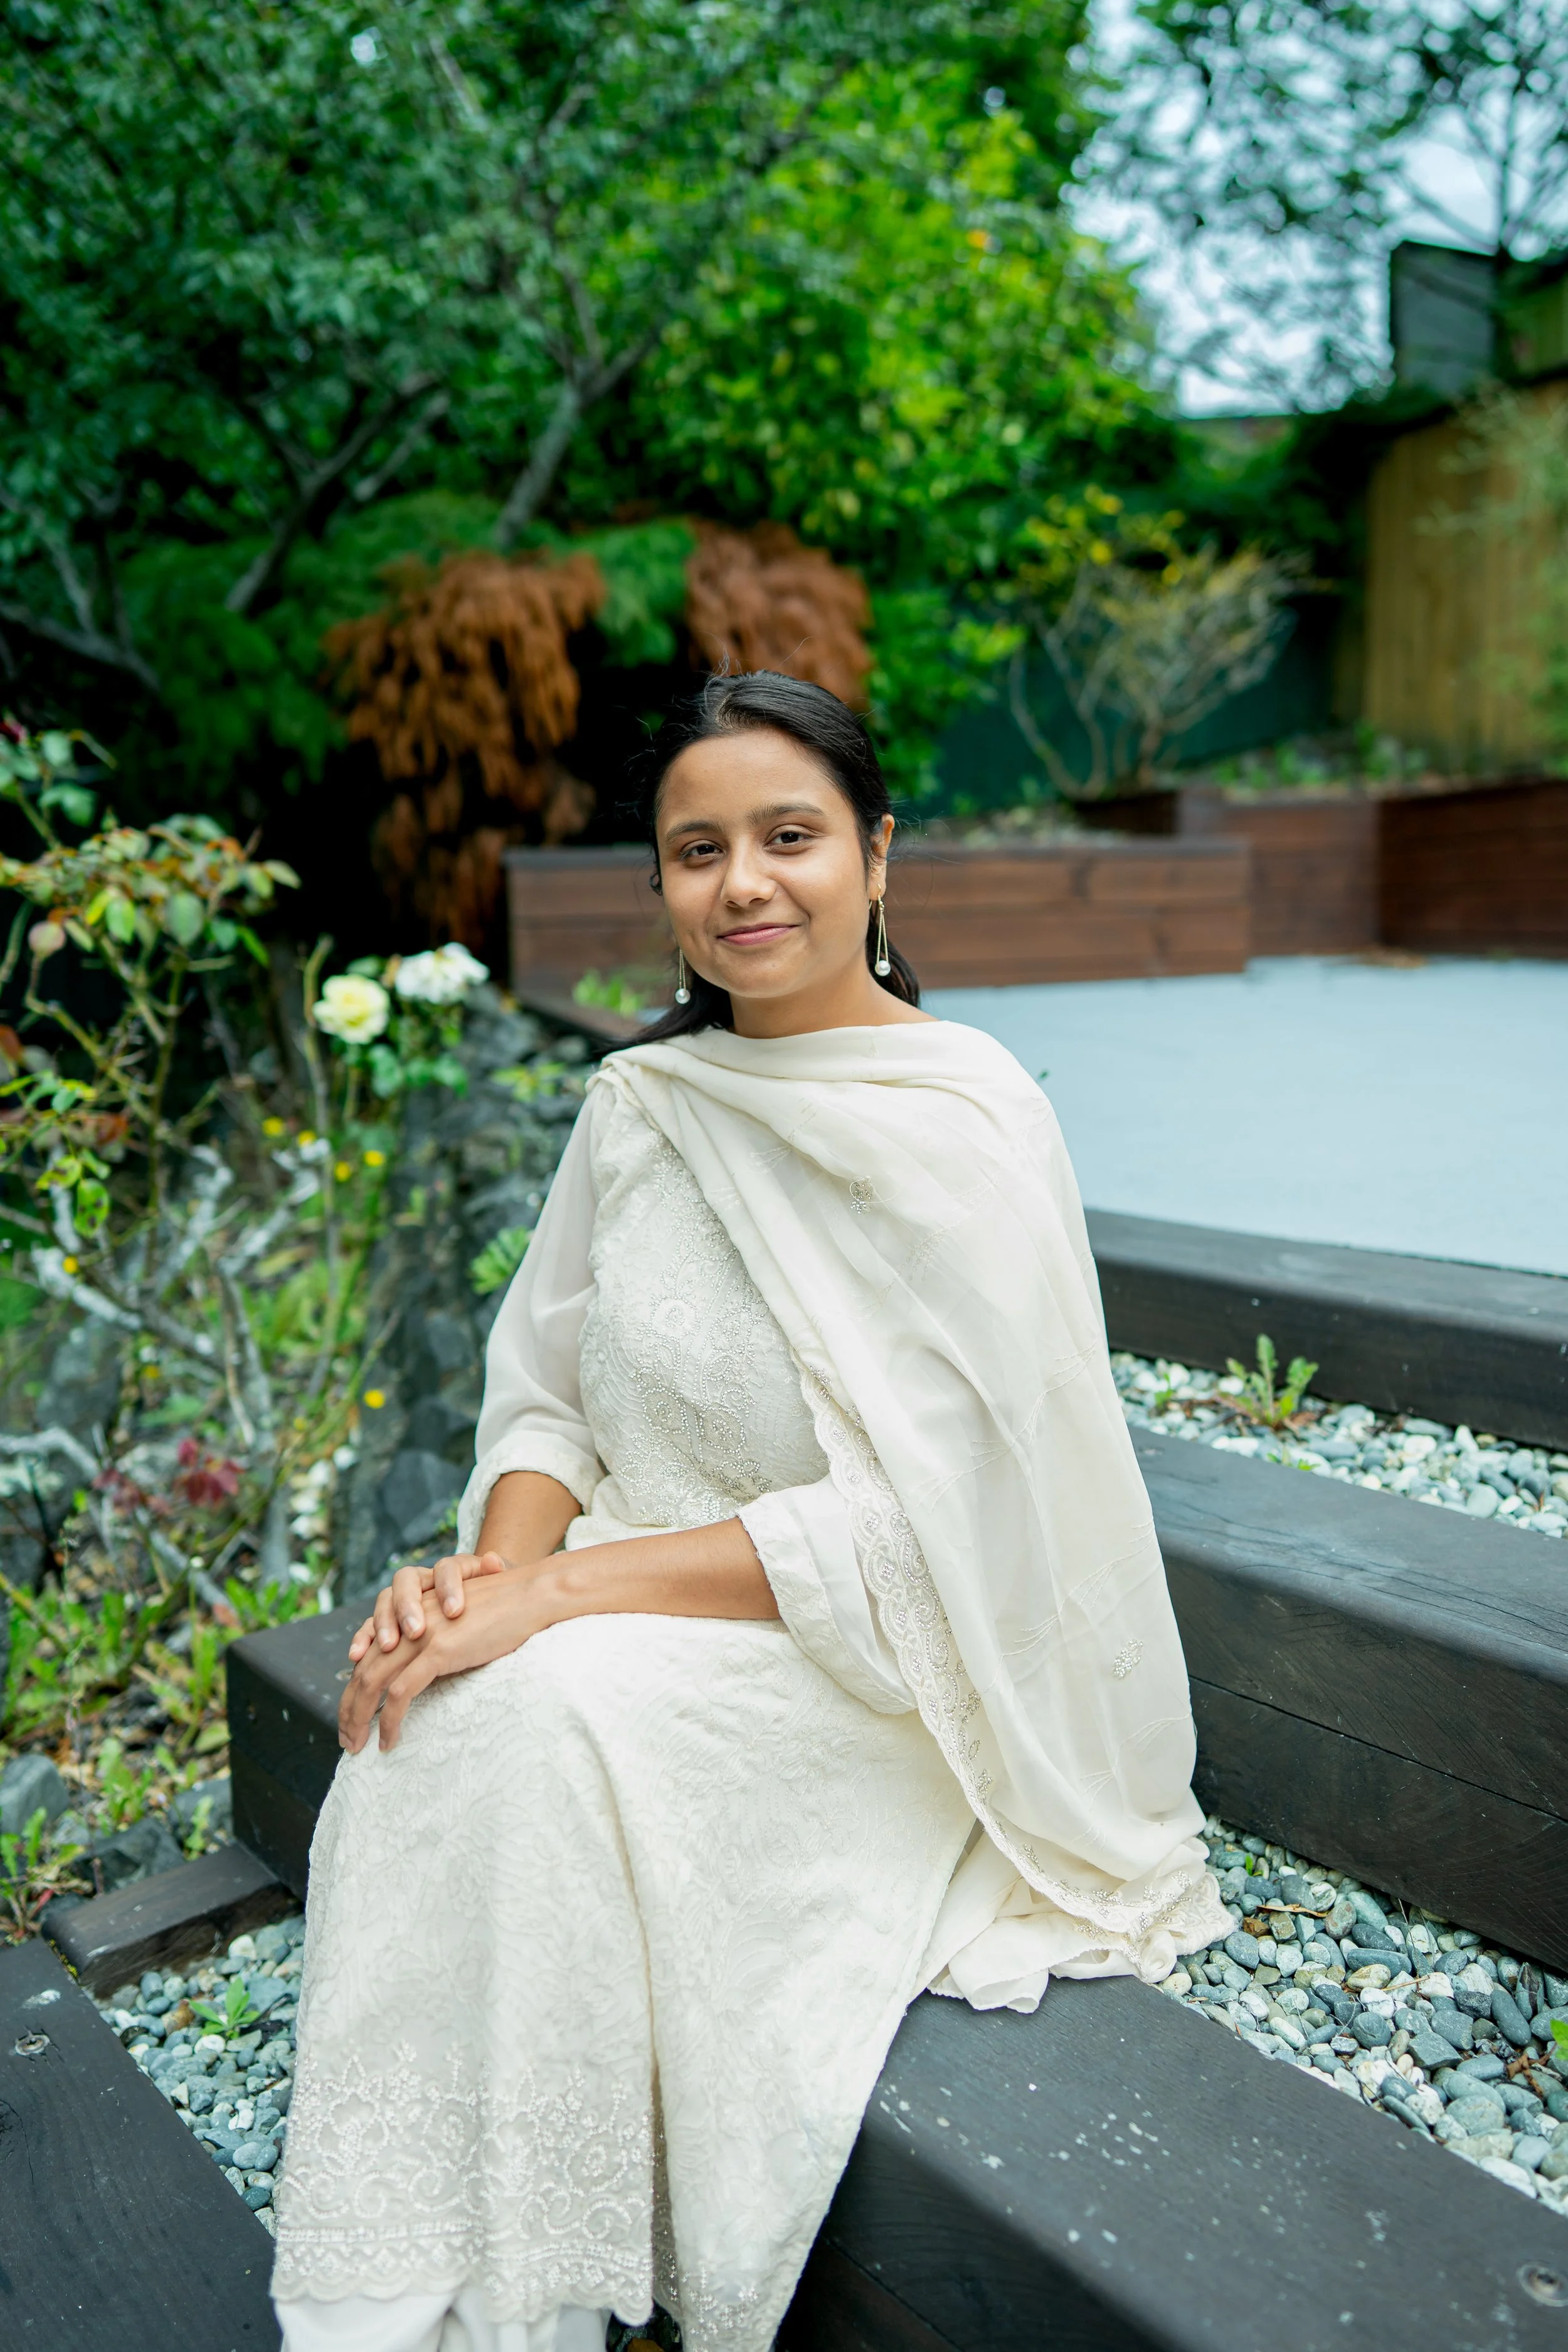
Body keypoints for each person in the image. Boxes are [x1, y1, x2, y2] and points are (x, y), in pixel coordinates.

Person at [270, 672, 1227, 2352]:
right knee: (418, 1704)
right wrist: (484, 1580)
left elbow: (938, 1530)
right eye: (695, 849)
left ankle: (532, 2301)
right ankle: (402, 2283)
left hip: (864, 1654)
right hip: (629, 1588)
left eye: (788, 836)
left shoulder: (966, 1119)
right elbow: (548, 1390)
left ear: (876, 852)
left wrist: (556, 1604)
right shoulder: (640, 1109)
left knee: (536, 1708)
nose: (742, 884)